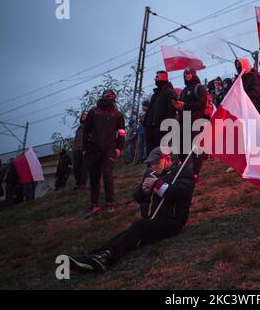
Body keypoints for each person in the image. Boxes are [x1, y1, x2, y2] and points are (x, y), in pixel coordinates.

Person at [65, 146, 195, 272]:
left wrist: (157, 184)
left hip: (172, 221)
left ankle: (106, 257)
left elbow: (181, 193)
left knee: (138, 228)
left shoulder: (183, 172)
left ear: (167, 159)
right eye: (150, 164)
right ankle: (96, 256)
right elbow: (136, 196)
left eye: (155, 162)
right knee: (127, 233)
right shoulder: (152, 174)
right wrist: (143, 191)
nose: (152, 167)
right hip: (152, 220)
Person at [83, 89, 125, 217]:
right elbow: (86, 131)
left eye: (112, 96)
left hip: (110, 149)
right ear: (103, 97)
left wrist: (119, 148)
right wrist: (86, 149)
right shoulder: (94, 112)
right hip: (94, 148)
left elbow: (122, 133)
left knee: (108, 175)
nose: (110, 98)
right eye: (108, 96)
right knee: (94, 176)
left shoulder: (117, 115)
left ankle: (110, 203)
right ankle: (94, 204)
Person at [172, 68, 208, 182]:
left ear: (193, 75)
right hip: (184, 121)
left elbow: (202, 104)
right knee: (183, 148)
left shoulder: (199, 88)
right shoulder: (184, 90)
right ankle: (185, 170)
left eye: (188, 74)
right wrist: (177, 105)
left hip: (196, 121)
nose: (186, 76)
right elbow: (183, 106)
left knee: (196, 147)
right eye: (185, 74)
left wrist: (185, 105)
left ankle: (195, 172)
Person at [144, 71, 178, 156]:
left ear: (164, 78)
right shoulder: (155, 95)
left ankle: (163, 168)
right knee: (151, 152)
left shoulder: (170, 92)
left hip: (161, 128)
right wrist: (146, 122)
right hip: (151, 128)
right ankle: (151, 169)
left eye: (157, 77)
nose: (155, 79)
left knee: (161, 152)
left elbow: (171, 110)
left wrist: (165, 125)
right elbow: (149, 110)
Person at [73, 112, 87, 190]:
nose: (83, 118)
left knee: (84, 168)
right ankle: (78, 183)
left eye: (85, 117)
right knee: (76, 167)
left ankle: (83, 184)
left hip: (84, 150)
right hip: (77, 150)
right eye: (83, 116)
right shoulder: (79, 128)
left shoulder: (88, 127)